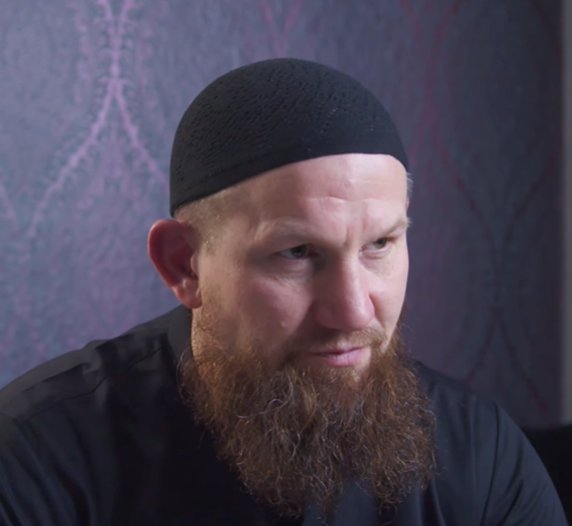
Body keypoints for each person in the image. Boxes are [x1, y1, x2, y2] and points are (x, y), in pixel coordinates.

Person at [0, 58, 566, 526]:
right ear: (184, 265)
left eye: (379, 244)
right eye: (296, 253)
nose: (353, 311)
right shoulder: (38, 458)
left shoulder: (482, 456)